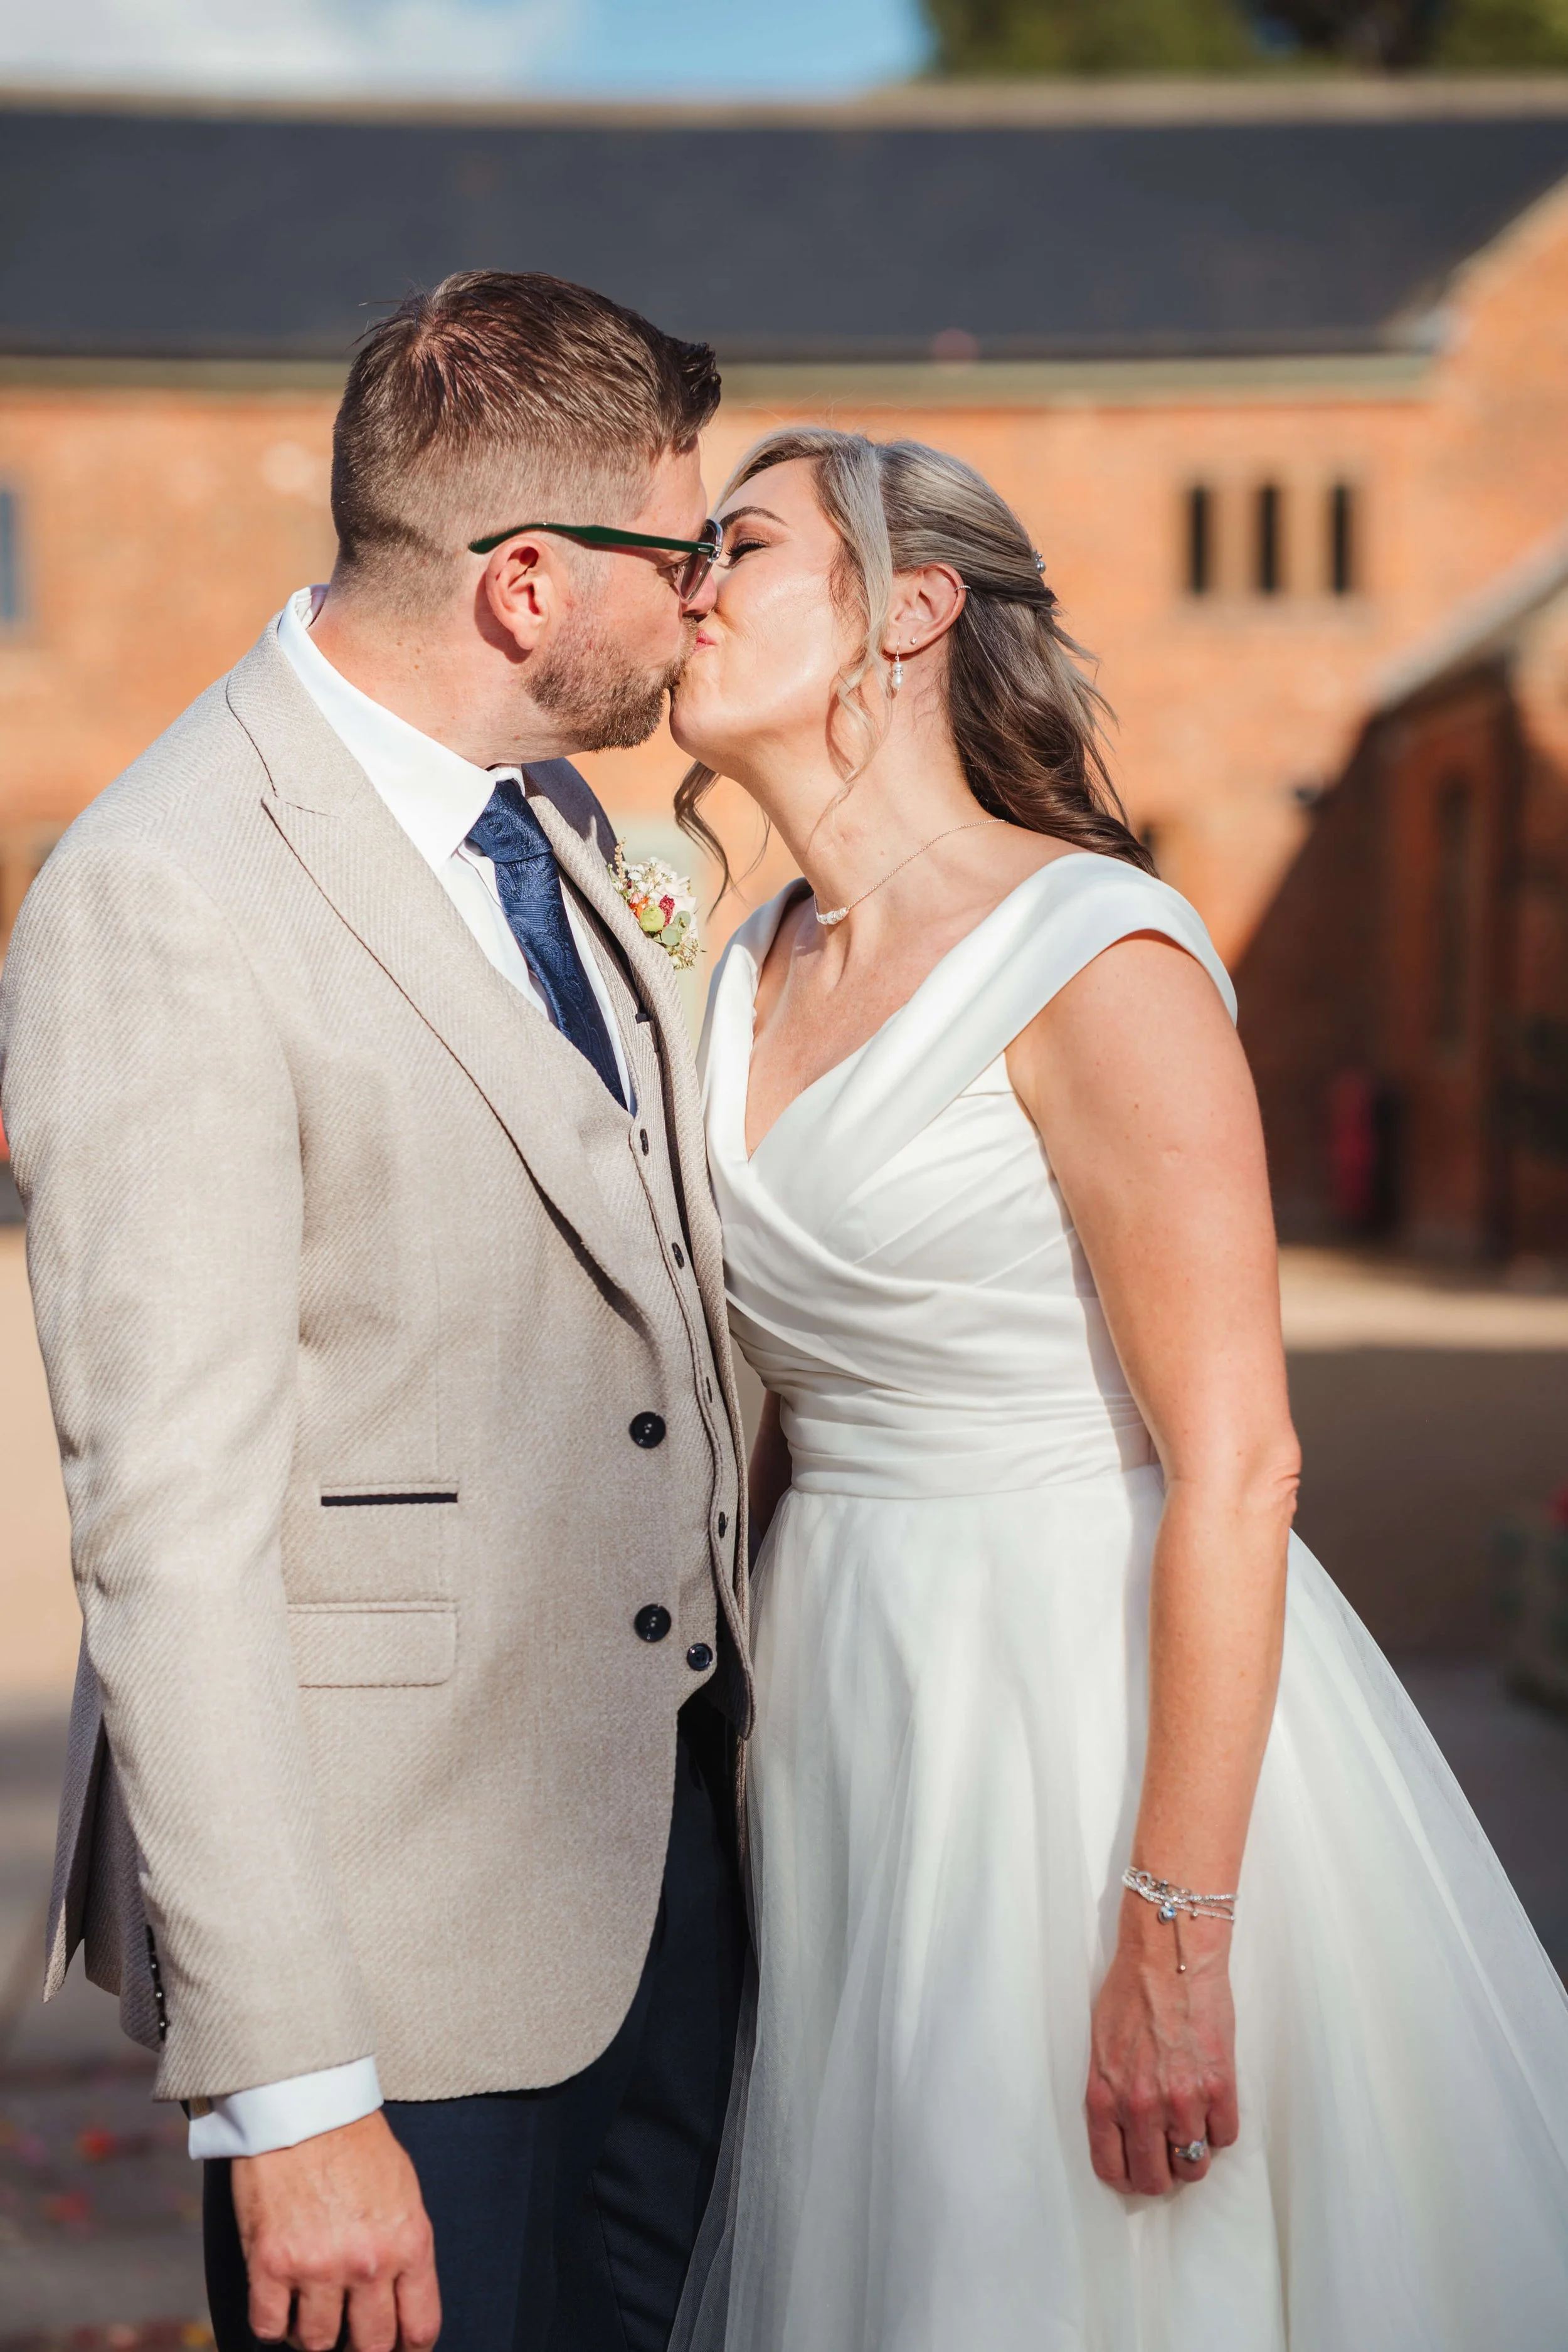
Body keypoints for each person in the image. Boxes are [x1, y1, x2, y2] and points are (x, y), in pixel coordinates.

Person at [667, 425, 1568, 2351]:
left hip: (1074, 1713)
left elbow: (1238, 1461)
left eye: (738, 546)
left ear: (908, 610)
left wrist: (1172, 1927)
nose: (686, 584)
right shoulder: (743, 966)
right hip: (852, 1699)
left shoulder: (1098, 954)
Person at [0, 272, 750, 2352]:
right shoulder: (165, 894)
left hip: (663, 1882)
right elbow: (169, 1533)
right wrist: (299, 2088)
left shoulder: (570, 832)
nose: (703, 604)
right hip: (390, 1973)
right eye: (679, 558)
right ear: (526, 583)